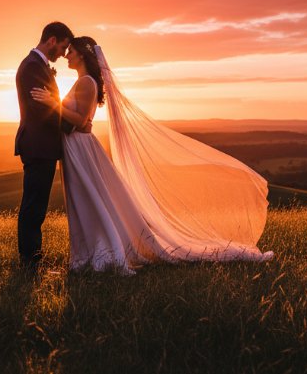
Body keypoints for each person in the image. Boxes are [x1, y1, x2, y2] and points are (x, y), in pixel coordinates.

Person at [31, 37, 274, 275]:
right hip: (76, 148)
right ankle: (88, 254)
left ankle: (105, 253)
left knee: (89, 200)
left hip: (81, 148)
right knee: (84, 200)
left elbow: (82, 121)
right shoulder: (83, 81)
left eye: (70, 51)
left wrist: (53, 103)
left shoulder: (86, 82)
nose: (66, 56)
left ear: (82, 55)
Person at [14, 21, 73, 270]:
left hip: (42, 145)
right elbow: (41, 109)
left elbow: (50, 103)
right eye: (62, 46)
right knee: (33, 206)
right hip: (38, 145)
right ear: (51, 40)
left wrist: (54, 103)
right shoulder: (32, 68)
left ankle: (33, 257)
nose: (62, 53)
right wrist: (73, 126)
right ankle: (30, 262)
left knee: (37, 205)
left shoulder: (38, 66)